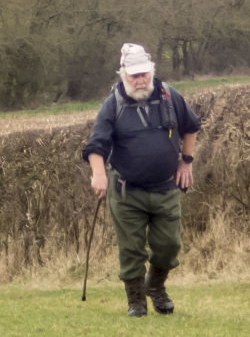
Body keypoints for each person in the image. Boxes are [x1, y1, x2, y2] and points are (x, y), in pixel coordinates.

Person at [82, 43, 201, 317]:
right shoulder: (113, 104)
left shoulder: (170, 96)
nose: (140, 80)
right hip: (127, 192)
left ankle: (156, 287)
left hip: (167, 188)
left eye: (144, 73)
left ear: (151, 71)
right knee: (131, 249)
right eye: (134, 75)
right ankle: (136, 300)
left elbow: (191, 127)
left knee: (169, 245)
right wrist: (98, 174)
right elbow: (95, 146)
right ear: (123, 74)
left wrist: (186, 160)